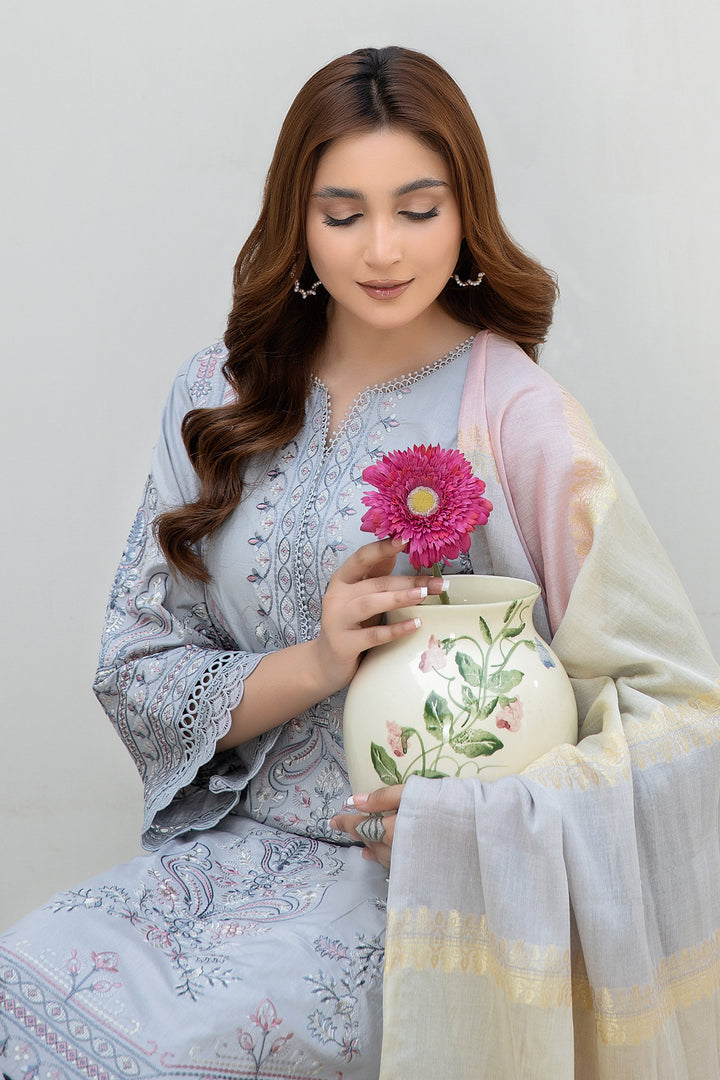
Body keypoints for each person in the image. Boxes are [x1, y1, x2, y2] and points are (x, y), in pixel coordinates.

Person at [1, 44, 718, 1080]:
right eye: (343, 215)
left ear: (465, 213)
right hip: (221, 865)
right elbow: (137, 667)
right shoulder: (219, 396)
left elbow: (679, 715)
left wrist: (461, 830)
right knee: (21, 986)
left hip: (424, 906)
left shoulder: (516, 416)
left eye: (418, 210)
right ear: (298, 222)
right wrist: (318, 662)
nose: (383, 250)